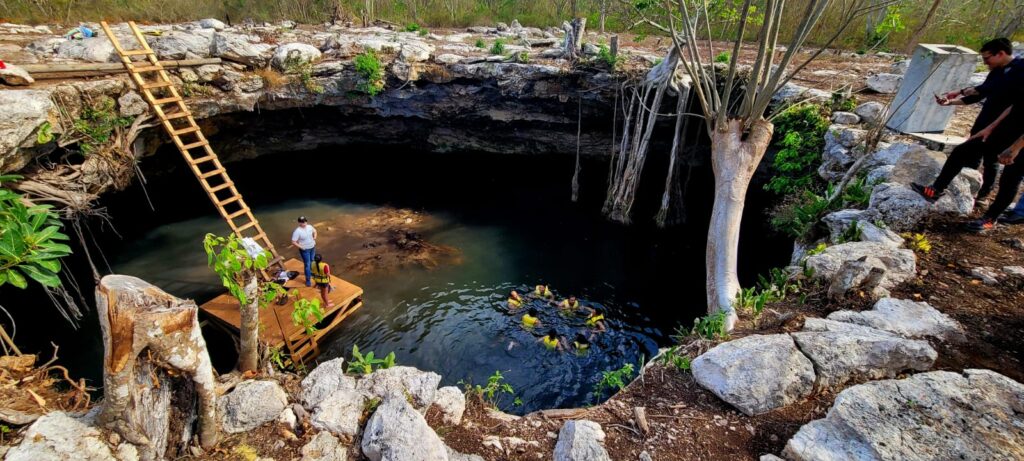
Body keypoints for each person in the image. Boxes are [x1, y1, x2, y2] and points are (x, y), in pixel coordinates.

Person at [912, 38, 1024, 208]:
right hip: (985, 123)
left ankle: (981, 196)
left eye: (987, 58)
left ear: (1000, 53)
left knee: (993, 164)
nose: (986, 62)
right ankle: (950, 190)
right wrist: (951, 101)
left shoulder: (1020, 69)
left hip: (1008, 129)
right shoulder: (997, 70)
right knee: (966, 154)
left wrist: (964, 91)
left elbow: (996, 90)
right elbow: (979, 93)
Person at [292, 216, 317, 286]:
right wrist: (301, 247)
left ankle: (311, 273)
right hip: (305, 250)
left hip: (312, 247)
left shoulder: (309, 227)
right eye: (302, 222)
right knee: (307, 264)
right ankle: (308, 280)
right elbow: (293, 241)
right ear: (299, 223)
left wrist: (315, 237)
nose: (304, 223)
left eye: (305, 221)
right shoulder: (297, 231)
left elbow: (315, 231)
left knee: (312, 260)